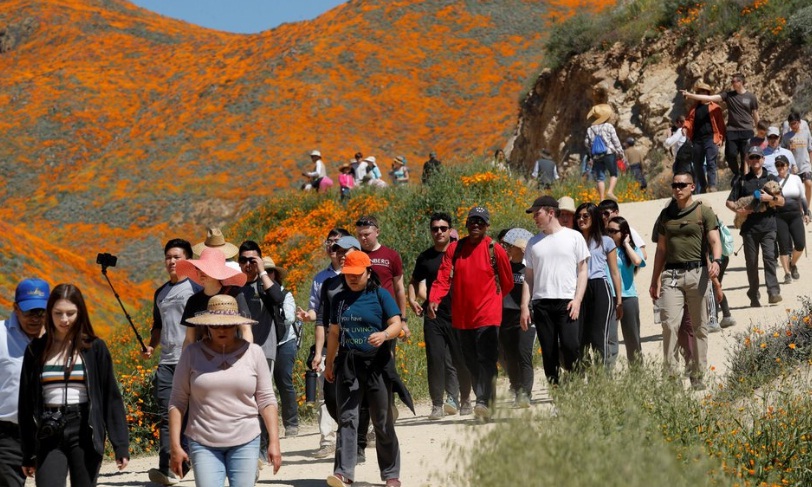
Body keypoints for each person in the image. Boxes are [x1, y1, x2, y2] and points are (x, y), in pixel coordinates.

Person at [18, 283, 129, 486]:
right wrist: (28, 453)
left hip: (84, 429)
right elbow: (25, 404)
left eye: (70, 313)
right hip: (48, 430)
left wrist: (120, 444)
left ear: (80, 313)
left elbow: (110, 398)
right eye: (58, 313)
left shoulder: (94, 348)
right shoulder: (36, 350)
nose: (64, 320)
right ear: (49, 312)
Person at [168, 295, 281, 486]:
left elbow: (266, 400)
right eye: (215, 325)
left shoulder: (254, 353)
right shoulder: (191, 354)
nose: (221, 329)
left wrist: (274, 442)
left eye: (228, 324)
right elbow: (177, 401)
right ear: (206, 326)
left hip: (246, 439)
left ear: (237, 325)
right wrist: (175, 446)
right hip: (202, 441)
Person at [324, 251, 404, 487]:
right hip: (349, 365)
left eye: (357, 274)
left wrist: (384, 335)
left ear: (369, 272)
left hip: (376, 365)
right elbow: (335, 333)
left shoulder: (380, 295)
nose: (352, 278)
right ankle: (343, 473)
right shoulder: (338, 299)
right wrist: (329, 363)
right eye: (349, 274)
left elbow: (396, 323)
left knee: (382, 420)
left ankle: (391, 474)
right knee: (347, 418)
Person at [428, 206, 513, 420]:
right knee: (470, 361)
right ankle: (485, 403)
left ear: (487, 226)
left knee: (486, 358)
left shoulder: (495, 249)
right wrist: (434, 298)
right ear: (466, 224)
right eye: (472, 221)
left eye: (481, 222)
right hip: (462, 317)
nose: (476, 225)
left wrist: (492, 300)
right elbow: (443, 277)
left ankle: (484, 401)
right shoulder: (455, 249)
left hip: (487, 314)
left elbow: (508, 281)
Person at [650, 172, 723, 390]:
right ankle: (671, 377)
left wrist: (717, 261)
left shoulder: (704, 211)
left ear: (692, 187)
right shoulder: (666, 215)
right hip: (671, 275)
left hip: (697, 273)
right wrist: (655, 280)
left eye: (682, 184)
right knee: (669, 325)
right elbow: (661, 249)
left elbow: (714, 239)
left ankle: (697, 374)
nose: (677, 188)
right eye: (675, 184)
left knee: (700, 326)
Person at [143, 239, 201, 486]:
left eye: (177, 256)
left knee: (196, 414)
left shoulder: (196, 288)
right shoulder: (161, 293)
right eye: (168, 257)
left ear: (187, 259)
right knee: (167, 414)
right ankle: (168, 467)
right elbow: (158, 326)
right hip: (166, 362)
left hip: (193, 359)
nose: (172, 261)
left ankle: (193, 461)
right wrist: (151, 346)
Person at [408, 213, 472, 420]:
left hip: (459, 314)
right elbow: (413, 281)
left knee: (461, 359)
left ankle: (465, 400)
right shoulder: (425, 257)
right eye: (435, 229)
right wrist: (412, 300)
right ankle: (437, 404)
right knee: (435, 360)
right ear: (431, 231)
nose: (439, 232)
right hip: (433, 316)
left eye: (443, 228)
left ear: (450, 230)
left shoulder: (461, 254)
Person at [521, 196, 589, 385]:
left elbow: (583, 271)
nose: (534, 218)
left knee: (570, 346)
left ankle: (574, 386)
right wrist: (524, 307)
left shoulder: (574, 237)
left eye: (537, 213)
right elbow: (528, 277)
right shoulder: (533, 243)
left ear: (551, 212)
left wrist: (577, 300)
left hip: (567, 302)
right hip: (541, 303)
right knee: (548, 351)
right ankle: (556, 391)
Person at [237, 241, 298, 444]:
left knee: (262, 395)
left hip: (265, 348)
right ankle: (249, 441)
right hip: (238, 350)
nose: (248, 264)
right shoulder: (234, 287)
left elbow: (278, 298)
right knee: (244, 397)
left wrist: (262, 271)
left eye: (252, 260)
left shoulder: (266, 286)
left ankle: (263, 444)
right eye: (243, 260)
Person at [295, 229, 348, 458]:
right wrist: (308, 316)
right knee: (326, 391)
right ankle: (327, 440)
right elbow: (316, 310)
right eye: (330, 243)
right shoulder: (320, 278)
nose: (332, 247)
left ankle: (359, 432)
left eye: (337, 243)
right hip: (327, 339)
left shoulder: (357, 272)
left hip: (353, 340)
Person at [0, 278, 49, 487]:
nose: (35, 319)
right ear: (15, 309)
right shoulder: (1, 336)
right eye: (29, 312)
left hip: (50, 434)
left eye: (41, 312)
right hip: (10, 435)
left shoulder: (59, 338)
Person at [726, 146, 784, 307]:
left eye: (758, 157)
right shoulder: (742, 180)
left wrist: (769, 198)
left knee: (769, 259)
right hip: (749, 229)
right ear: (748, 160)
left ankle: (773, 292)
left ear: (763, 159)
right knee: (751, 263)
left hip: (769, 227)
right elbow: (729, 202)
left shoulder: (771, 178)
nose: (755, 160)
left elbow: (781, 201)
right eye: (752, 157)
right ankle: (753, 294)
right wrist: (740, 210)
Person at [682, 73, 759, 177]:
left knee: (745, 156)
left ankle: (744, 177)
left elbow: (755, 114)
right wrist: (690, 95)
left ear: (740, 82)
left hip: (747, 130)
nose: (732, 83)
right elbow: (711, 98)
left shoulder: (751, 97)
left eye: (734, 81)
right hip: (732, 131)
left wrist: (759, 130)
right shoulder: (728, 95)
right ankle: (737, 174)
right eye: (731, 81)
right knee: (730, 155)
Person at [574, 203, 623, 368]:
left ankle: (603, 378)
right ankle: (580, 377)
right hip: (579, 289)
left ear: (594, 218)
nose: (581, 219)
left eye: (585, 216)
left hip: (600, 287)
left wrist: (619, 300)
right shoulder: (573, 240)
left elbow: (615, 272)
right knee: (579, 337)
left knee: (598, 336)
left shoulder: (606, 241)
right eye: (579, 216)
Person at [177, 248, 251, 347]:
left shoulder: (234, 295)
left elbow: (246, 330)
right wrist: (185, 360)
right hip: (202, 359)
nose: (201, 272)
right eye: (199, 268)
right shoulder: (193, 301)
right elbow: (189, 339)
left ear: (218, 271)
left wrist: (246, 357)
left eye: (207, 268)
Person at [498, 228, 535, 408]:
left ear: (521, 249)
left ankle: (526, 394)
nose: (508, 248)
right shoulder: (503, 267)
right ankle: (518, 389)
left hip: (527, 316)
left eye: (511, 246)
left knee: (524, 354)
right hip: (506, 315)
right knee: (510, 357)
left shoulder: (531, 268)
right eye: (507, 246)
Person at [355, 215, 409, 337]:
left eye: (366, 234)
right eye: (359, 235)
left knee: (388, 354)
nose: (362, 238)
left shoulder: (391, 255)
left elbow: (399, 288)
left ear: (377, 232)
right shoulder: (355, 255)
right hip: (361, 313)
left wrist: (403, 320)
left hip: (387, 314)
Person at [606, 217, 645, 363]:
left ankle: (637, 373)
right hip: (609, 296)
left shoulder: (630, 249)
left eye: (613, 231)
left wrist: (626, 245)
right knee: (610, 337)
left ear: (624, 233)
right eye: (607, 231)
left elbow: (637, 262)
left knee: (632, 338)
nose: (609, 234)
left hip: (628, 296)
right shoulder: (603, 248)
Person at [681, 81, 725, 193]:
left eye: (704, 91)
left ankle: (712, 186)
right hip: (697, 139)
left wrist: (720, 138)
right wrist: (685, 128)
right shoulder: (694, 108)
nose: (702, 93)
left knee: (711, 162)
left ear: (708, 93)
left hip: (711, 138)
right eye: (700, 91)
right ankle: (703, 185)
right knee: (697, 164)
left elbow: (721, 125)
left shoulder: (715, 108)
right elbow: (689, 120)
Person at [774, 155, 808, 284]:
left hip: (795, 214)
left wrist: (806, 212)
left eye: (782, 165)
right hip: (780, 215)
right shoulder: (773, 180)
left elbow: (803, 197)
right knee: (783, 246)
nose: (780, 168)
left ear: (788, 166)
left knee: (800, 244)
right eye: (778, 165)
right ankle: (787, 273)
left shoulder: (795, 179)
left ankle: (792, 264)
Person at [585, 104, 624, 201]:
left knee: (600, 177)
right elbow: (615, 141)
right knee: (613, 173)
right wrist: (620, 152)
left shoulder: (590, 129)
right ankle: (610, 191)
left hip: (597, 155)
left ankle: (602, 198)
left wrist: (591, 155)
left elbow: (587, 143)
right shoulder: (608, 126)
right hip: (609, 153)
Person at [783, 111, 812, 205]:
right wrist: (788, 149)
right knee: (797, 190)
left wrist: (810, 163)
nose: (793, 126)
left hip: (805, 165)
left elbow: (810, 149)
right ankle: (800, 211)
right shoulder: (786, 137)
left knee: (808, 184)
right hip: (793, 167)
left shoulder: (806, 133)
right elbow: (782, 151)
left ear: (799, 122)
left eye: (794, 123)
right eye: (790, 124)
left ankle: (807, 209)